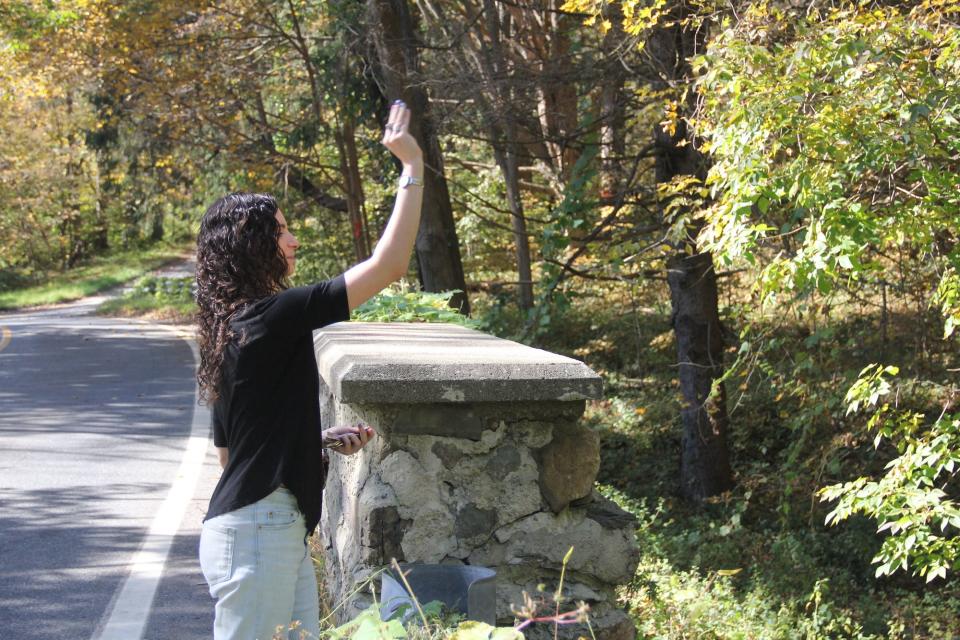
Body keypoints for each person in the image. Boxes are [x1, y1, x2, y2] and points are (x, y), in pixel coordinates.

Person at [194, 100, 423, 639]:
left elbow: (235, 453)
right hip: (259, 534)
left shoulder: (231, 330)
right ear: (251, 247)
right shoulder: (275, 316)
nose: (293, 240)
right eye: (280, 231)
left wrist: (313, 439)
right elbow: (389, 267)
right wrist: (412, 170)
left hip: (263, 529)